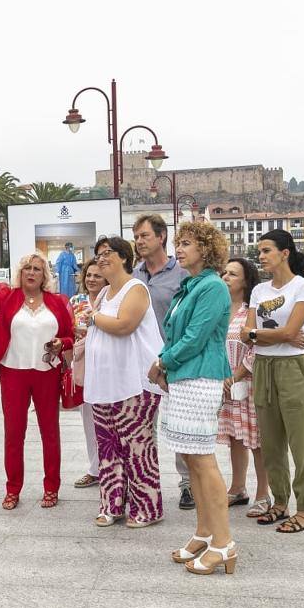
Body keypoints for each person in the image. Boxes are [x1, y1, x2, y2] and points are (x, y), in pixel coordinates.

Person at [147, 222, 236, 575]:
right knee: (190, 456)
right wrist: (166, 364)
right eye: (178, 243)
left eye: (186, 244)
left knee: (203, 461)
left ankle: (224, 542)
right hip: (184, 377)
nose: (178, 249)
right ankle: (204, 532)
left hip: (200, 378)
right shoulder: (192, 285)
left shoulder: (212, 286)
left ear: (206, 248)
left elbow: (197, 337)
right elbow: (176, 333)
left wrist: (160, 363)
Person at [0, 253, 74, 509]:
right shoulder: (7, 295)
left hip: (47, 372)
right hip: (13, 372)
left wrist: (62, 344)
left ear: (44, 275)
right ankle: (13, 489)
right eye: (27, 267)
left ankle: (51, 487)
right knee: (14, 434)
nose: (31, 272)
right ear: (20, 272)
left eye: (37, 269)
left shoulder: (57, 302)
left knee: (50, 433)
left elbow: (69, 336)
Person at [81, 236, 165, 528]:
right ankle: (111, 504)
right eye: (98, 254)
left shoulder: (136, 288)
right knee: (107, 446)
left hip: (134, 383)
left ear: (125, 258)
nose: (101, 258)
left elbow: (124, 326)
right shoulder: (104, 293)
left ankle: (148, 508)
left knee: (137, 447)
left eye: (108, 254)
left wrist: (92, 318)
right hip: (105, 384)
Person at [241, 229, 304, 534]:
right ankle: (280, 502)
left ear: (285, 253)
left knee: (302, 445)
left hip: (294, 369)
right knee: (271, 444)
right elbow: (246, 335)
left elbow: (290, 332)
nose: (260, 256)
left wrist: (259, 335)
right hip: (264, 368)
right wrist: (266, 336)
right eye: (259, 251)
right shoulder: (259, 291)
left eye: (266, 250)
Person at [132, 213, 196, 511]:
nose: (139, 241)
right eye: (136, 237)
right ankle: (146, 484)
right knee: (144, 428)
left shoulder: (182, 274)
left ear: (161, 237)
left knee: (181, 427)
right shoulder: (136, 274)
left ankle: (188, 485)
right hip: (141, 364)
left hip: (174, 361)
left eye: (144, 236)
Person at [219, 258, 271, 518]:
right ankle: (238, 488)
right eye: (224, 272)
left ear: (246, 281)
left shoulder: (253, 310)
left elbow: (258, 345)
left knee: (256, 439)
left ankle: (263, 493)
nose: (225, 277)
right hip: (225, 383)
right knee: (235, 437)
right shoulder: (219, 308)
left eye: (232, 274)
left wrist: (238, 374)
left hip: (247, 383)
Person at [67, 261, 106, 489]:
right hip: (84, 365)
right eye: (89, 275)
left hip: (106, 366)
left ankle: (112, 468)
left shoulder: (111, 300)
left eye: (97, 276)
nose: (91, 279)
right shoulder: (76, 301)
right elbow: (66, 330)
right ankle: (94, 469)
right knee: (89, 420)